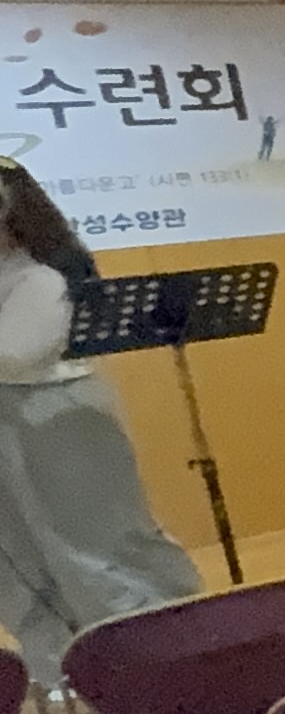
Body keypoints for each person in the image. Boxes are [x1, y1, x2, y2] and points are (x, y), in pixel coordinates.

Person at [0, 160, 203, 683]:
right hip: (12, 422)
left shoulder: (42, 275)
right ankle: (63, 674)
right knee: (19, 560)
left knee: (95, 546)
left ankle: (154, 661)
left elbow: (17, 354)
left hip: (55, 418)